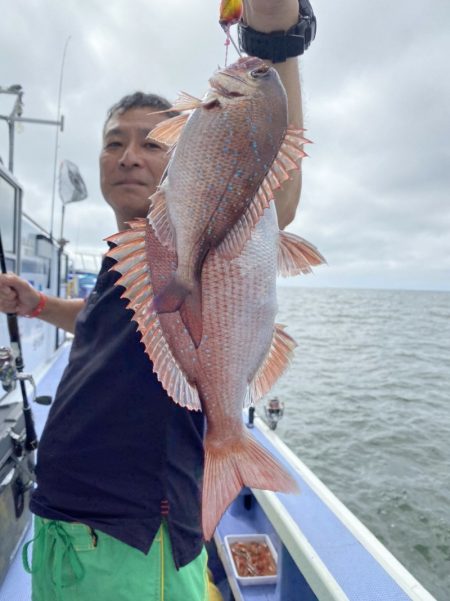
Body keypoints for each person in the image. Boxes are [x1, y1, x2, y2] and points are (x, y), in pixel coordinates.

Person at [0, 1, 313, 598]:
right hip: (64, 526)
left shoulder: (207, 233)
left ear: (187, 159)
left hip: (135, 544)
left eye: (152, 144)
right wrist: (36, 305)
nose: (128, 156)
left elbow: (271, 179)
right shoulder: (129, 252)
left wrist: (276, 35)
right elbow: (101, 324)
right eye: (115, 142)